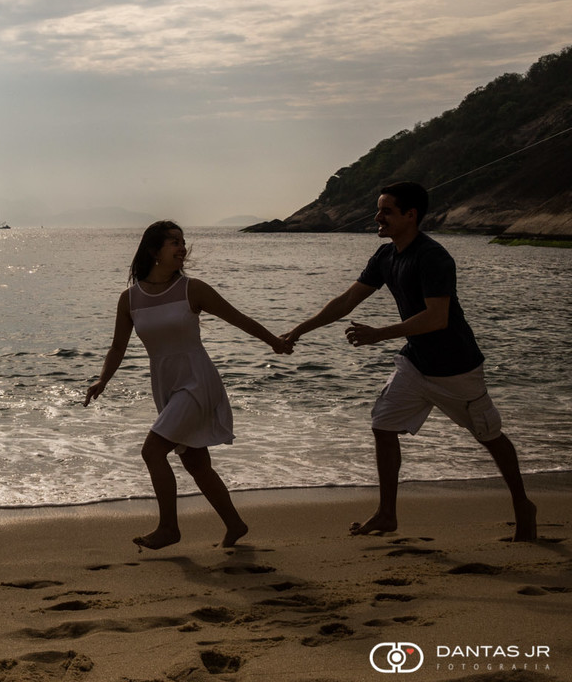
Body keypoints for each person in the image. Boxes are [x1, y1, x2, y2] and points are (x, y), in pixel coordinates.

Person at [282, 181, 537, 541]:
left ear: (410, 215)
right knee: (383, 425)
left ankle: (523, 505)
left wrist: (378, 334)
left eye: (386, 210)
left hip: (455, 367)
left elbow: (437, 317)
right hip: (415, 362)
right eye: (379, 209)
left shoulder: (433, 257)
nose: (377, 217)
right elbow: (346, 301)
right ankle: (387, 514)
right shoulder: (385, 256)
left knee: (490, 436)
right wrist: (298, 330)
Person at [84, 221, 293, 550]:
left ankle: (169, 528)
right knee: (195, 462)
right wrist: (102, 380)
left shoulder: (191, 289)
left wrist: (273, 341)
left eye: (183, 242)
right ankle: (235, 524)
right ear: (154, 251)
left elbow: (236, 317)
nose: (182, 248)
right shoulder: (130, 299)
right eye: (173, 243)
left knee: (152, 451)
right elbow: (117, 347)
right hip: (166, 385)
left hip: (196, 381)